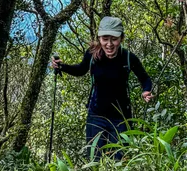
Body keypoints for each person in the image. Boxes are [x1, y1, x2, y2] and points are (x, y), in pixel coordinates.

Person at [51, 16, 153, 159]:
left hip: (121, 118)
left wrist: (146, 90)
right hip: (96, 115)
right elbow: (81, 70)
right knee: (94, 159)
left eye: (114, 39)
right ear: (99, 39)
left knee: (120, 160)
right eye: (105, 39)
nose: (109, 44)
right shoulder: (92, 55)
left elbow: (145, 78)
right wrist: (62, 66)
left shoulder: (128, 58)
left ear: (121, 39)